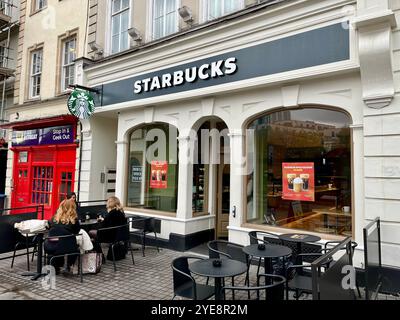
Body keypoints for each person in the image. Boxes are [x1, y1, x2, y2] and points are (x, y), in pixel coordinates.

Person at [45, 199, 81, 274]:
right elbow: (77, 231)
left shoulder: (53, 219)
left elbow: (49, 228)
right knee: (76, 243)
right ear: (72, 208)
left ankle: (54, 266)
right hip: (69, 248)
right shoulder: (74, 220)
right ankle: (68, 264)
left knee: (56, 242)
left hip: (52, 247)